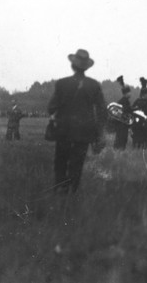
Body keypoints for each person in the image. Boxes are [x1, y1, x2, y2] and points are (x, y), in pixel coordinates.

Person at [47, 49, 108, 193]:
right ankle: (72, 190)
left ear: (73, 66)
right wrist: (100, 131)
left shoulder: (62, 83)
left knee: (61, 158)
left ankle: (59, 187)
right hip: (85, 129)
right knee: (77, 161)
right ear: (86, 67)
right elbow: (102, 110)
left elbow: (51, 107)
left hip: (64, 127)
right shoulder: (94, 85)